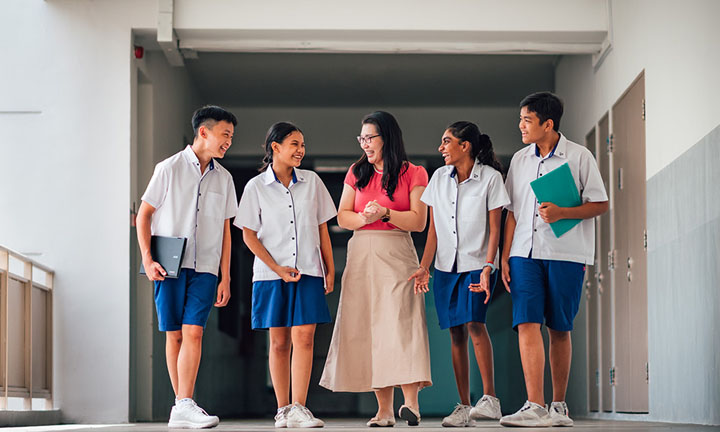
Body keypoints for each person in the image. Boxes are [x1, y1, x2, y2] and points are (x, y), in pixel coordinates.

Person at [499, 92, 608, 427]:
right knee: (526, 322)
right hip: (524, 254)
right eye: (520, 119)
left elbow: (600, 204)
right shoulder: (519, 160)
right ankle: (535, 404)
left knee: (559, 327)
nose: (521, 126)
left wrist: (563, 212)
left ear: (548, 124)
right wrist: (505, 256)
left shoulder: (579, 156)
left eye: (527, 120)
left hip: (566, 254)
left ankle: (558, 406)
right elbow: (513, 213)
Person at [319, 111, 432, 427]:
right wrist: (364, 219)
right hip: (362, 253)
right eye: (362, 138)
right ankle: (383, 410)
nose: (365, 144)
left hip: (397, 251)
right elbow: (342, 216)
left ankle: (411, 404)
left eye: (370, 137)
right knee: (371, 328)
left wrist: (384, 213)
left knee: (402, 324)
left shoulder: (414, 172)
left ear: (388, 138)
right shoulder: (357, 172)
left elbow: (418, 220)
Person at [136, 105, 238, 429]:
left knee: (195, 331)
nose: (228, 143)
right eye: (225, 135)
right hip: (169, 264)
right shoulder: (168, 168)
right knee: (175, 334)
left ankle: (184, 402)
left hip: (206, 266)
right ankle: (181, 404)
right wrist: (147, 259)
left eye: (231, 138)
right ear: (204, 132)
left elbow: (226, 231)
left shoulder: (225, 178)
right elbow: (144, 215)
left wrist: (226, 276)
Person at [235, 122, 336, 428]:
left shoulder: (313, 182)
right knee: (279, 342)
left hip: (308, 269)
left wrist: (329, 268)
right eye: (294, 144)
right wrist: (277, 267)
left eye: (302, 145)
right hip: (270, 274)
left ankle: (300, 408)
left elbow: (322, 228)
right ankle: (283, 410)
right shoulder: (255, 187)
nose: (301, 150)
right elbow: (249, 235)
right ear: (275, 147)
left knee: (304, 338)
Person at [410, 121, 510, 427]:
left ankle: (490, 399)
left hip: (476, 266)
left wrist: (488, 267)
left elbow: (496, 229)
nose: (440, 148)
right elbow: (434, 232)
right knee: (455, 332)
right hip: (445, 268)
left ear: (464, 146)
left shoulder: (490, 179)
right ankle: (464, 406)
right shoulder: (438, 178)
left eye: (446, 141)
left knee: (475, 323)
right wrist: (424, 266)